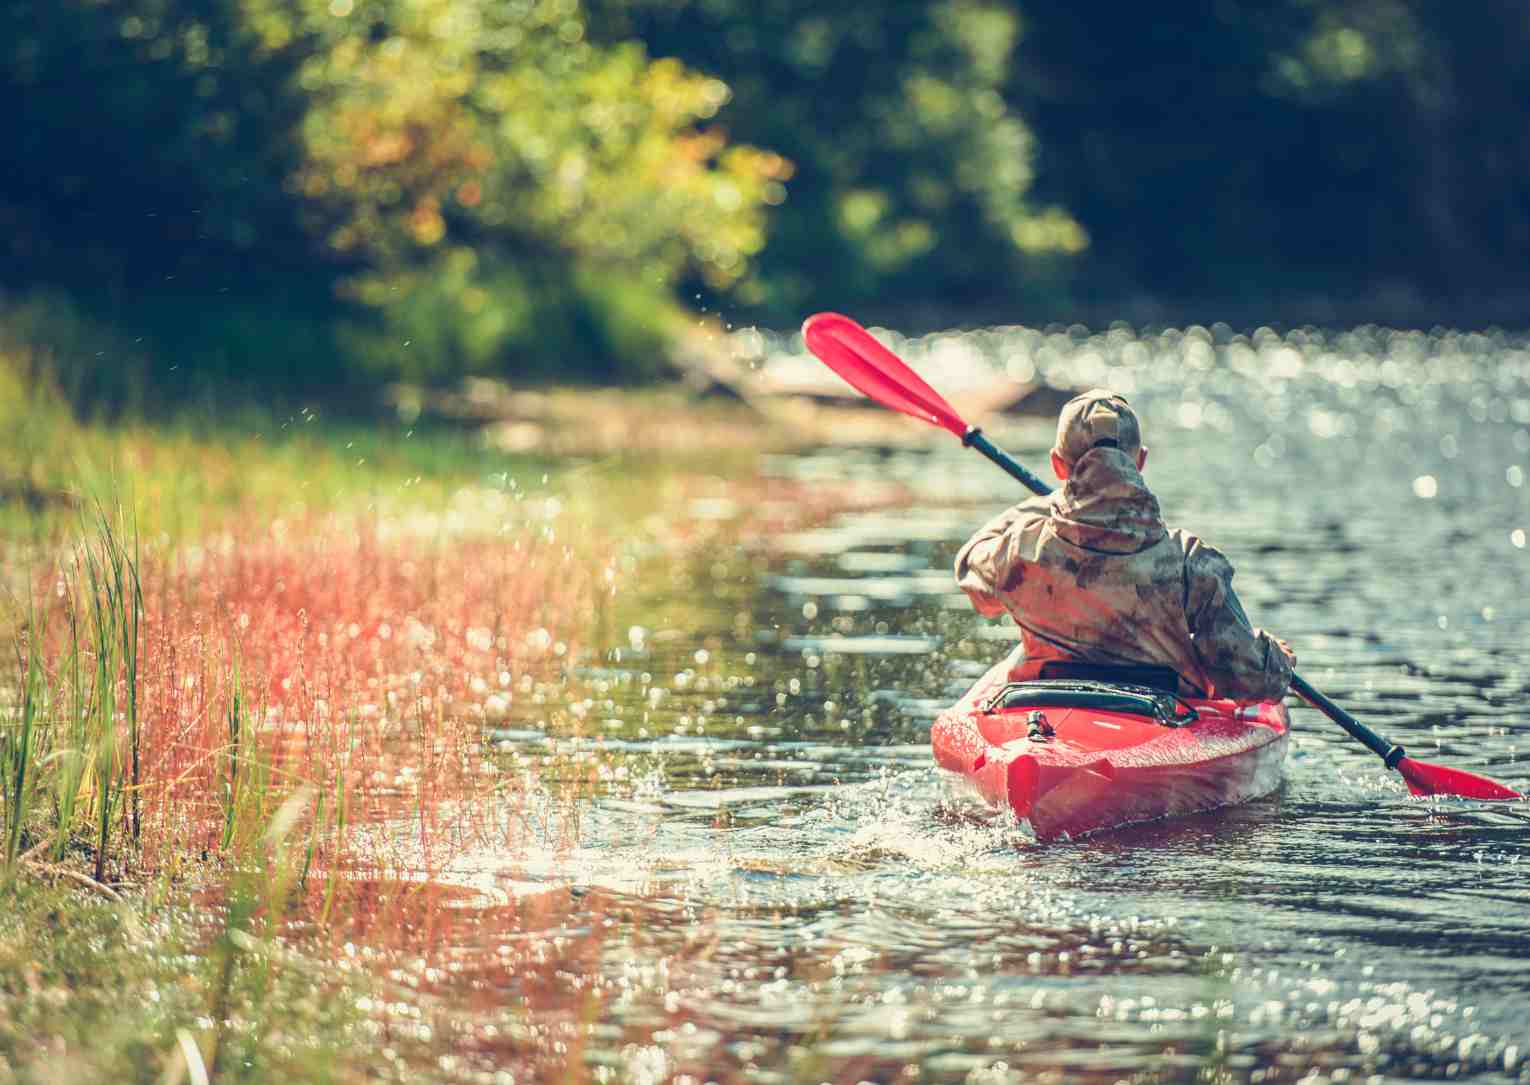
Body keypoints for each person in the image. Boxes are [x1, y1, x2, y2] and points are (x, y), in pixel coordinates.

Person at [954, 389, 1295, 702]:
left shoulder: (1021, 549)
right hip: (1161, 718)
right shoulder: (1191, 561)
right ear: (1140, 461)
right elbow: (1247, 681)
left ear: (1058, 465)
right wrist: (1276, 658)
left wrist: (1049, 505)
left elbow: (971, 569)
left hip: (1045, 709)